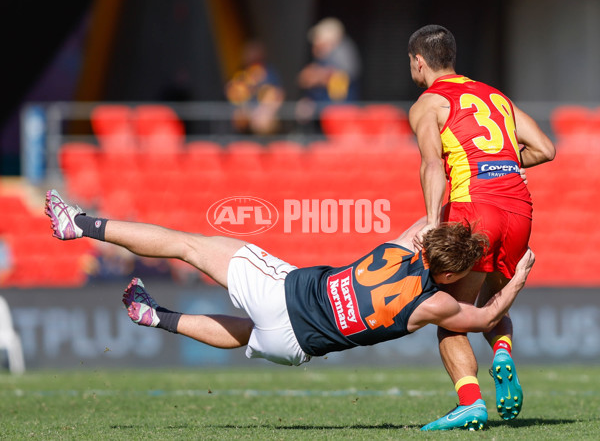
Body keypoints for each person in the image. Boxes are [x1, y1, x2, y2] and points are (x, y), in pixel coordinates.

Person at [45, 188, 535, 431]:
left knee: (186, 245)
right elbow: (487, 317)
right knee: (244, 334)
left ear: (427, 247)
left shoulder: (400, 247)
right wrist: (520, 273)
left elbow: (435, 213)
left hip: (283, 292)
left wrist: (463, 186)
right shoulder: (437, 304)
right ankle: (158, 317)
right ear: (449, 274)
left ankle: (79, 225)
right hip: (297, 345)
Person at [407, 24, 556, 429]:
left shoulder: (429, 103)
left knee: (449, 312)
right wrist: (501, 165)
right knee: (494, 298)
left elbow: (433, 164)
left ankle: (470, 401)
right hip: (519, 209)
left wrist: (434, 223)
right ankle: (503, 353)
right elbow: (546, 149)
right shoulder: (495, 96)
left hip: (476, 208)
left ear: (418, 62)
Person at [296, 17, 362, 127]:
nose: (316, 44)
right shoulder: (322, 57)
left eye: (319, 38)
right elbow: (305, 79)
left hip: (341, 112)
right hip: (324, 111)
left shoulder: (342, 51)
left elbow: (341, 77)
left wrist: (318, 76)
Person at [224, 40, 285, 135]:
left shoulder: (270, 73)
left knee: (264, 121)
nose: (251, 56)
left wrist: (265, 110)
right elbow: (234, 96)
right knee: (239, 118)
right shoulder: (240, 74)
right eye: (248, 54)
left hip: (264, 111)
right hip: (247, 110)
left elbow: (278, 95)